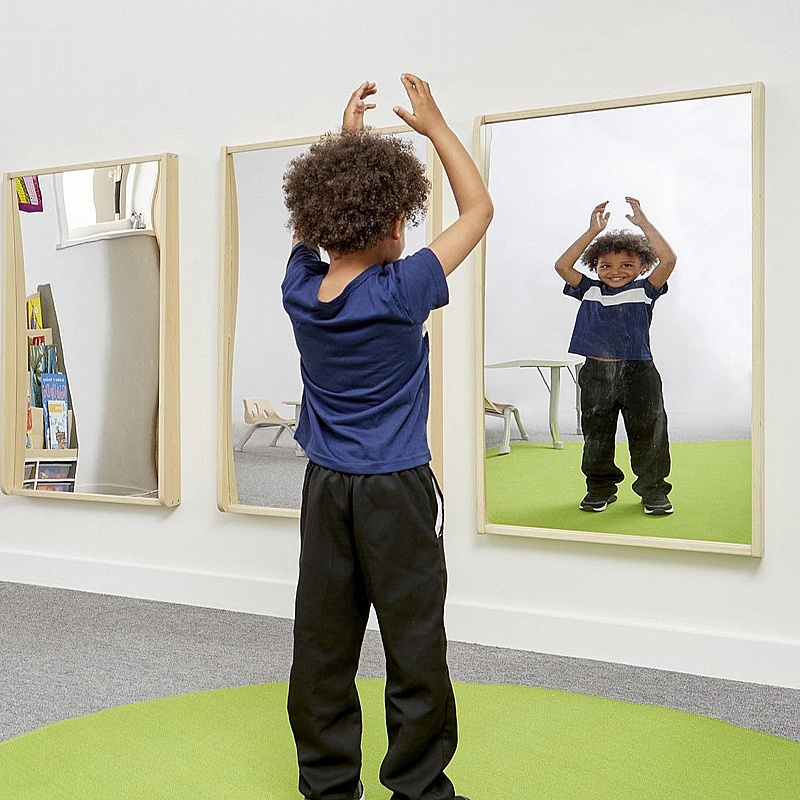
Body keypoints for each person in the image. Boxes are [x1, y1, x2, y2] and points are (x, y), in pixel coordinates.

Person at [281, 74, 492, 800]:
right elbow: (479, 208)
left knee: (323, 641)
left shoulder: (300, 289)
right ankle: (420, 788)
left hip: (324, 489)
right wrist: (434, 126)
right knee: (412, 643)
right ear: (399, 221)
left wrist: (347, 143)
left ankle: (328, 787)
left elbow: (319, 226)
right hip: (396, 492)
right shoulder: (403, 289)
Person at [554, 197, 677, 515]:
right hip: (596, 374)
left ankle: (653, 490)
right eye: (606, 265)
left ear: (641, 267)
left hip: (639, 374)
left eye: (626, 265)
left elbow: (668, 260)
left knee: (650, 433)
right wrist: (591, 231)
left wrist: (644, 224)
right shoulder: (589, 289)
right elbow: (562, 266)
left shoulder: (645, 289)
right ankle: (599, 489)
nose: (615, 272)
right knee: (596, 435)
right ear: (595, 266)